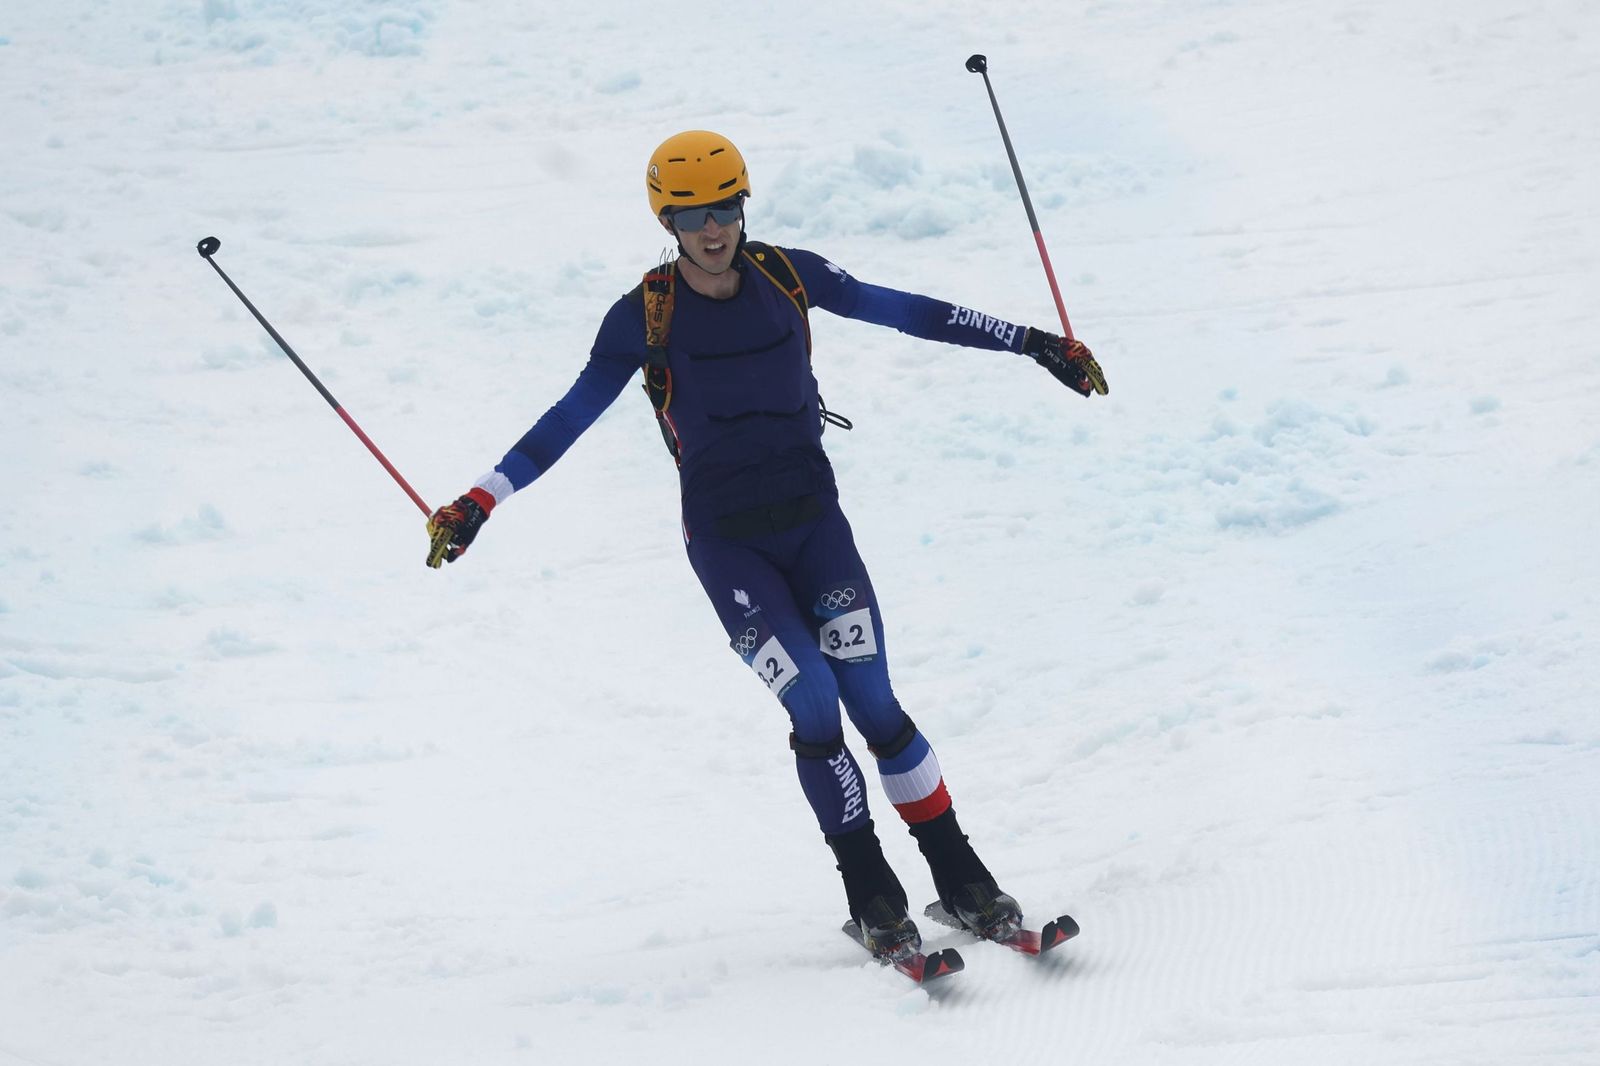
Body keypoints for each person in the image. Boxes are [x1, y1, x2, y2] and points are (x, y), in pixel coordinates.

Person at [426, 130, 1107, 961]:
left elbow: (910, 311)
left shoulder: (791, 276)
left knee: (875, 702)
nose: (712, 229)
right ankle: (873, 898)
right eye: (691, 217)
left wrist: (1033, 342)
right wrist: (480, 500)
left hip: (815, 524)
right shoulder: (642, 317)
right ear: (666, 223)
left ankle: (963, 879)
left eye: (725, 208)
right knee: (815, 701)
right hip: (729, 546)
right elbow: (568, 418)